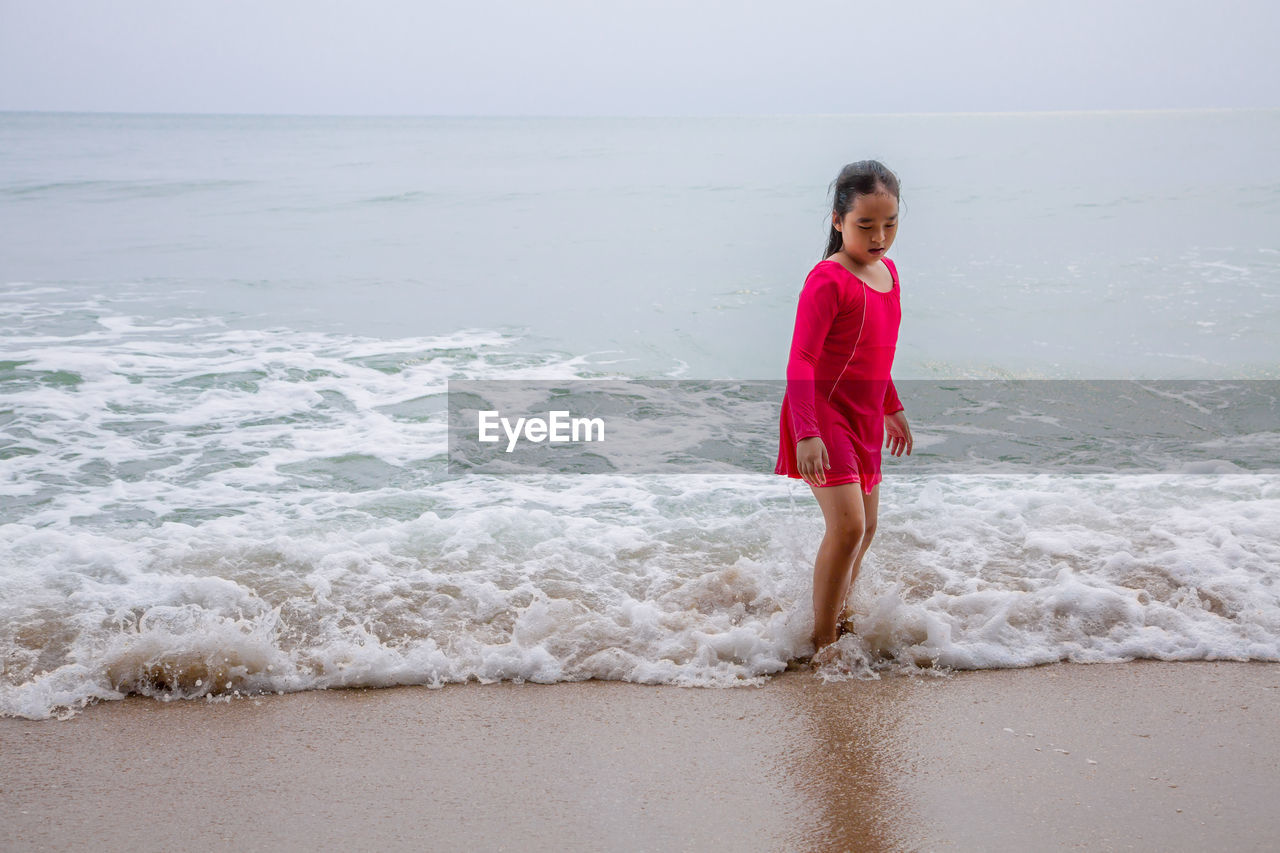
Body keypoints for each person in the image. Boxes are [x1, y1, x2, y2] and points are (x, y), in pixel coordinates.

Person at [775, 160, 914, 666]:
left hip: (862, 413)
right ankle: (823, 641)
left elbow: (873, 352)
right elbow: (802, 360)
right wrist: (807, 432)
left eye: (890, 223)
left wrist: (891, 405)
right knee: (849, 527)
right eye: (866, 225)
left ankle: (839, 614)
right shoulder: (827, 279)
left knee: (867, 527)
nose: (880, 237)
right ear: (838, 221)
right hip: (821, 412)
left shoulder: (888, 273)